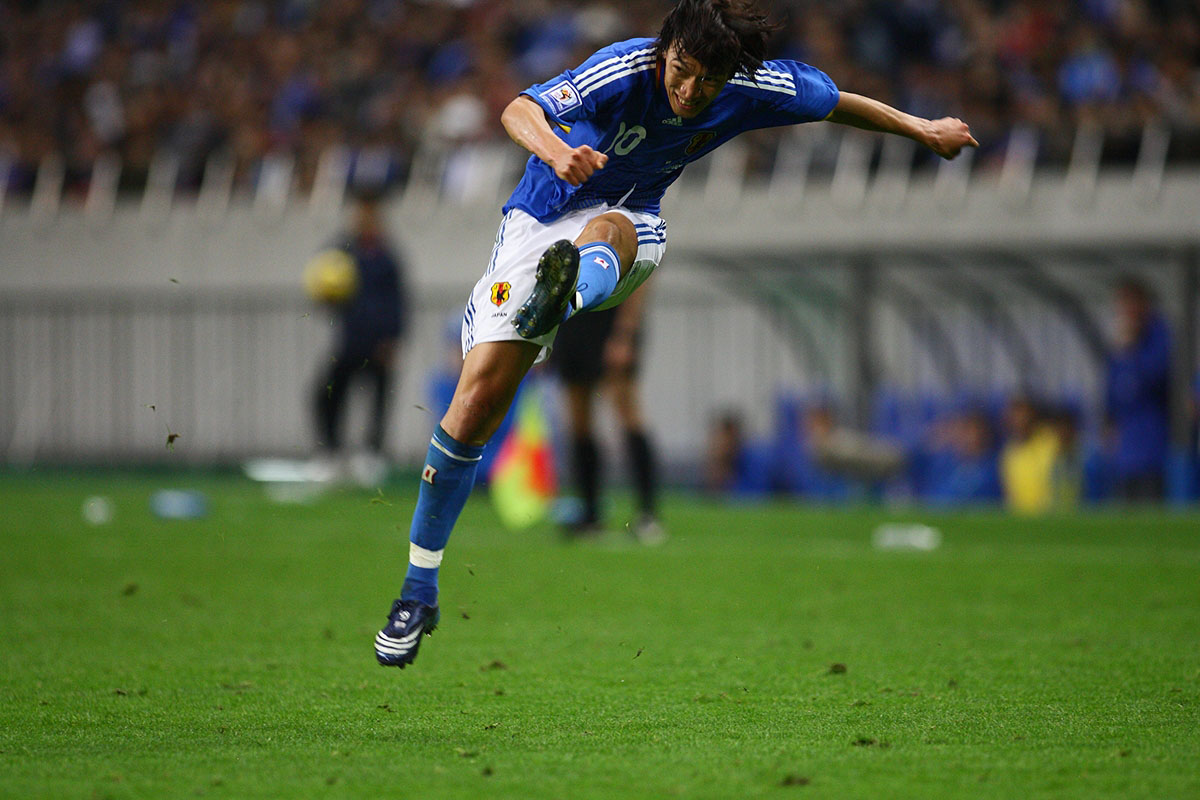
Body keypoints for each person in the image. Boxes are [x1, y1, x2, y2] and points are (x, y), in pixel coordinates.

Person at [375, 0, 977, 669]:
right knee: (474, 403)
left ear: (726, 77)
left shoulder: (751, 85)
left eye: (705, 83)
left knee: (613, 229)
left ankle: (565, 295)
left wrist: (923, 129)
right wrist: (557, 150)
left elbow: (836, 101)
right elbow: (519, 108)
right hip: (537, 224)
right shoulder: (624, 66)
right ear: (665, 52)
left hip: (630, 225)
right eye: (681, 72)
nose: (689, 92)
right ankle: (418, 590)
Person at [551, 278, 662, 542]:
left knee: (627, 411)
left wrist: (625, 332)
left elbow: (643, 272)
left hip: (611, 317)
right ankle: (590, 514)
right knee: (579, 419)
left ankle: (647, 514)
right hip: (574, 317)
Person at [310, 190, 408, 485]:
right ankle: (330, 453)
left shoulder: (387, 255)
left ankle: (371, 455)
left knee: (379, 398)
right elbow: (325, 284)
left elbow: (398, 299)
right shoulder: (343, 250)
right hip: (351, 340)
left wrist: (393, 338)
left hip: (378, 342)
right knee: (326, 394)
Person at [1104, 276, 1171, 502]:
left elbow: (1156, 379)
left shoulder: (1159, 336)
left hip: (1153, 451)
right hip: (1124, 455)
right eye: (1121, 304)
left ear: (1144, 305)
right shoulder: (1119, 347)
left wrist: (1132, 351)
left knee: (1150, 519)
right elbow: (1112, 394)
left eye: (1129, 303)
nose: (1125, 311)